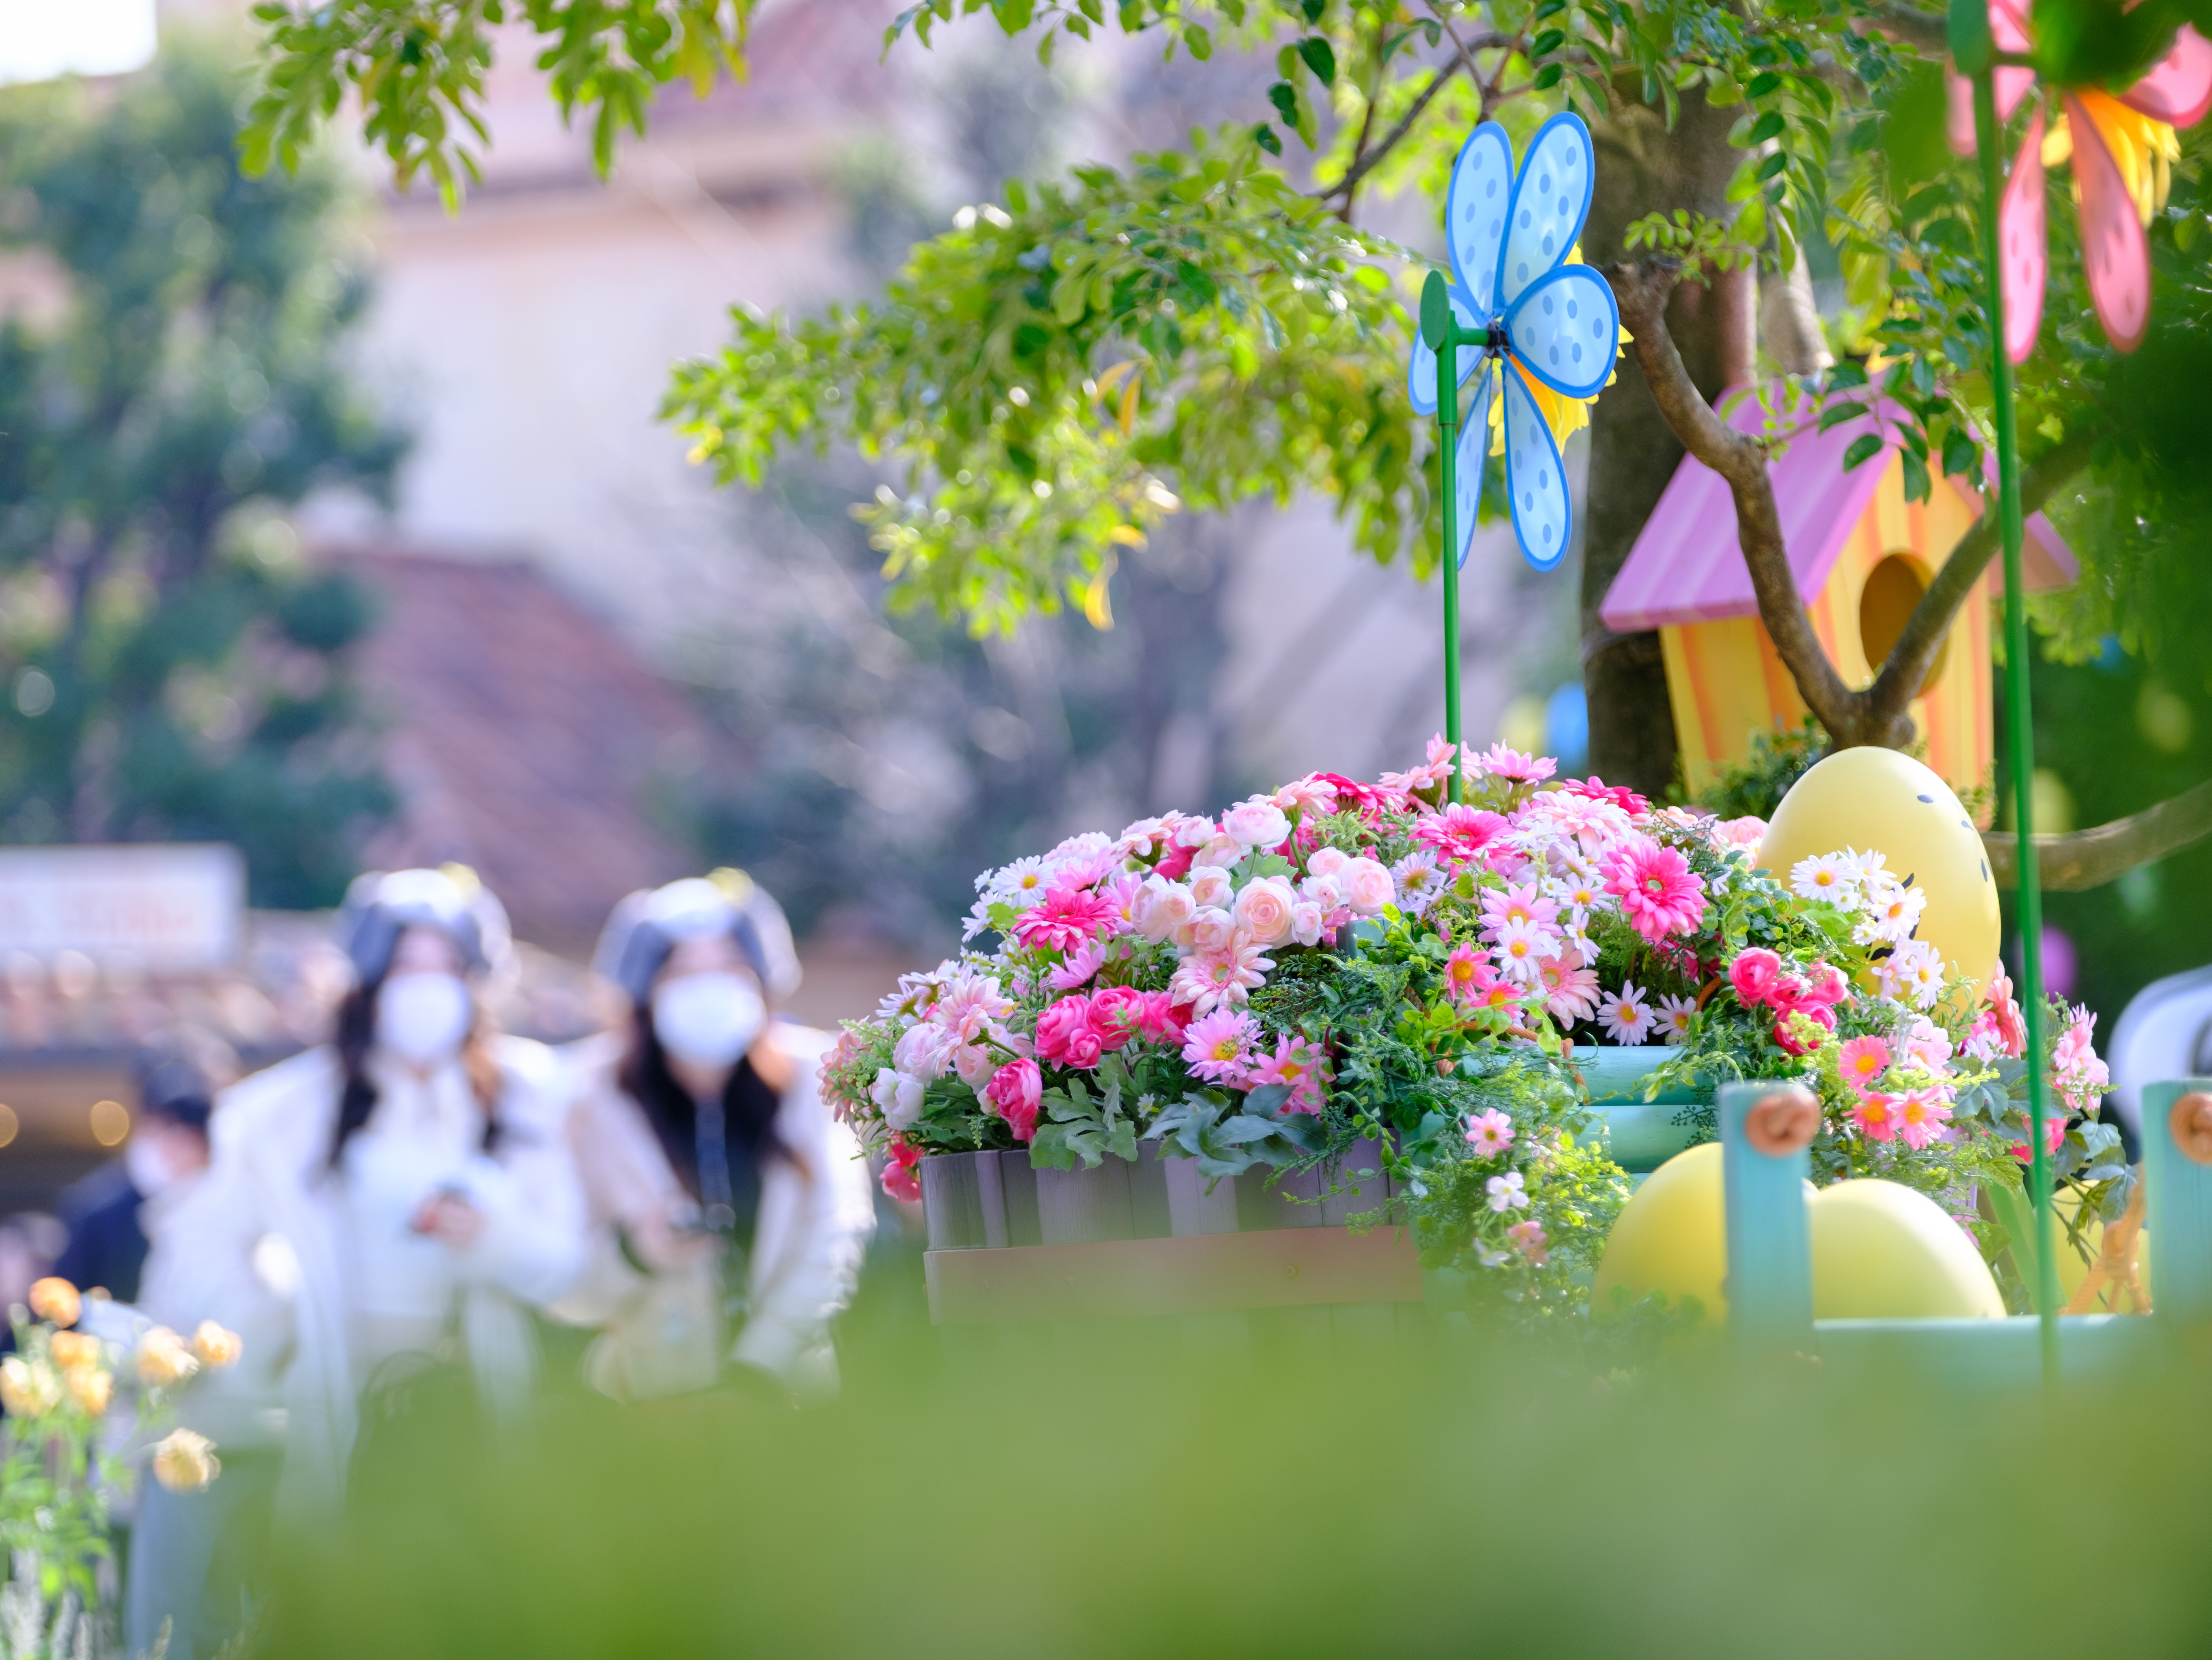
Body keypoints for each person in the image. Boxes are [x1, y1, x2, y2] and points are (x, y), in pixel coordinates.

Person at [128, 868, 588, 1656]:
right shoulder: (277, 1113)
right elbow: (197, 1254)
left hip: (480, 1412)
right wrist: (275, 1340)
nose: (426, 989)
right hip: (330, 1427)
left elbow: (571, 1264)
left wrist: (493, 1238)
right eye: (405, 967)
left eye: (447, 967)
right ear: (365, 981)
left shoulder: (531, 1095)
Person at [555, 872, 873, 1401]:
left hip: (788, 1400)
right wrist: (633, 1253)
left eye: (728, 966)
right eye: (681, 970)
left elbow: (835, 1234)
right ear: (645, 992)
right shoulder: (590, 1096)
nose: (708, 986)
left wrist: (758, 1373)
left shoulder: (813, 1077)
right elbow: (564, 1287)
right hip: (644, 1408)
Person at [53, 1040, 229, 1305]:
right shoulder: (97, 1212)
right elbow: (68, 1305)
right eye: (166, 1126)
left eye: (189, 1134)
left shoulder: (230, 1202)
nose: (178, 1146)